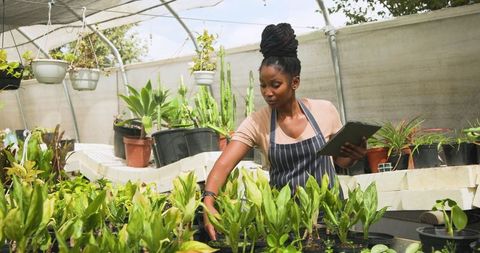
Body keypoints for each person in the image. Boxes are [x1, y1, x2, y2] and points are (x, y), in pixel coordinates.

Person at [202, 23, 366, 240]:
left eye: (275, 85)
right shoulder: (258, 121)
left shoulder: (324, 111)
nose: (267, 93)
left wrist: (354, 155)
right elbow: (224, 164)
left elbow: (339, 161)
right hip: (284, 224)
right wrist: (208, 201)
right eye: (263, 85)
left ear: (294, 82)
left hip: (331, 220)